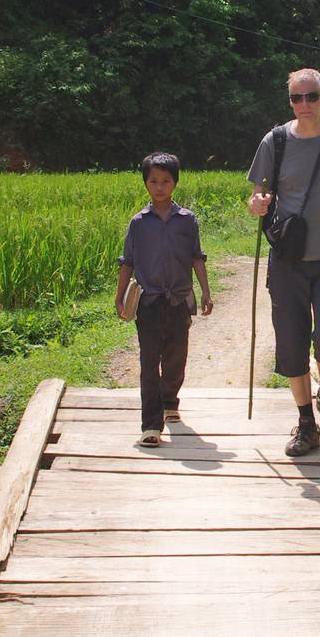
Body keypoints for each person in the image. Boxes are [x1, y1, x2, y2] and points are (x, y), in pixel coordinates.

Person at [246, 68, 320, 456]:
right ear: (289, 101)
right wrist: (257, 206)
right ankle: (305, 422)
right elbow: (257, 197)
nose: (304, 105)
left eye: (310, 97)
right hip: (288, 261)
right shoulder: (275, 141)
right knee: (291, 344)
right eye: (296, 99)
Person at [116, 152, 213, 447]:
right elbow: (127, 262)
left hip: (179, 300)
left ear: (175, 183)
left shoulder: (187, 221)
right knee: (149, 362)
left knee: (175, 358)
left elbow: (197, 258)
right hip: (148, 302)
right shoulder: (139, 223)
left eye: (165, 181)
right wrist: (119, 297)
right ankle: (150, 424)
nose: (159, 187)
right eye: (153, 181)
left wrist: (206, 291)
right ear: (146, 184)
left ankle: (170, 400)